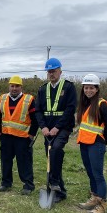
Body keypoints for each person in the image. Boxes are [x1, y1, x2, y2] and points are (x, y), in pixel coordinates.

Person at [35, 58, 77, 203]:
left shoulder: (69, 87)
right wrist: (44, 127)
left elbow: (70, 109)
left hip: (63, 127)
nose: (51, 74)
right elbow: (38, 111)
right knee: (51, 157)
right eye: (49, 71)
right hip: (47, 130)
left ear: (60, 71)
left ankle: (53, 182)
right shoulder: (42, 89)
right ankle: (60, 191)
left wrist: (57, 127)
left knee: (56, 150)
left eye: (54, 71)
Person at [76, 74, 107, 213]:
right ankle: (94, 198)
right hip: (84, 143)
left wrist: (104, 141)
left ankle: (102, 204)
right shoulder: (85, 103)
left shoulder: (101, 103)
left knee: (98, 175)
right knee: (90, 172)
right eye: (86, 88)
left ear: (97, 89)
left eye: (91, 88)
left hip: (96, 143)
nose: (88, 90)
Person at [0, 75, 39, 195]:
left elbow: (35, 119)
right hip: (6, 136)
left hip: (23, 138)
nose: (14, 88)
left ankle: (28, 185)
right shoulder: (2, 98)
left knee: (24, 162)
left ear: (21, 87)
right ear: (9, 86)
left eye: (17, 86)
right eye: (12, 86)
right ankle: (6, 183)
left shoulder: (29, 99)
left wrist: (31, 135)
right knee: (6, 161)